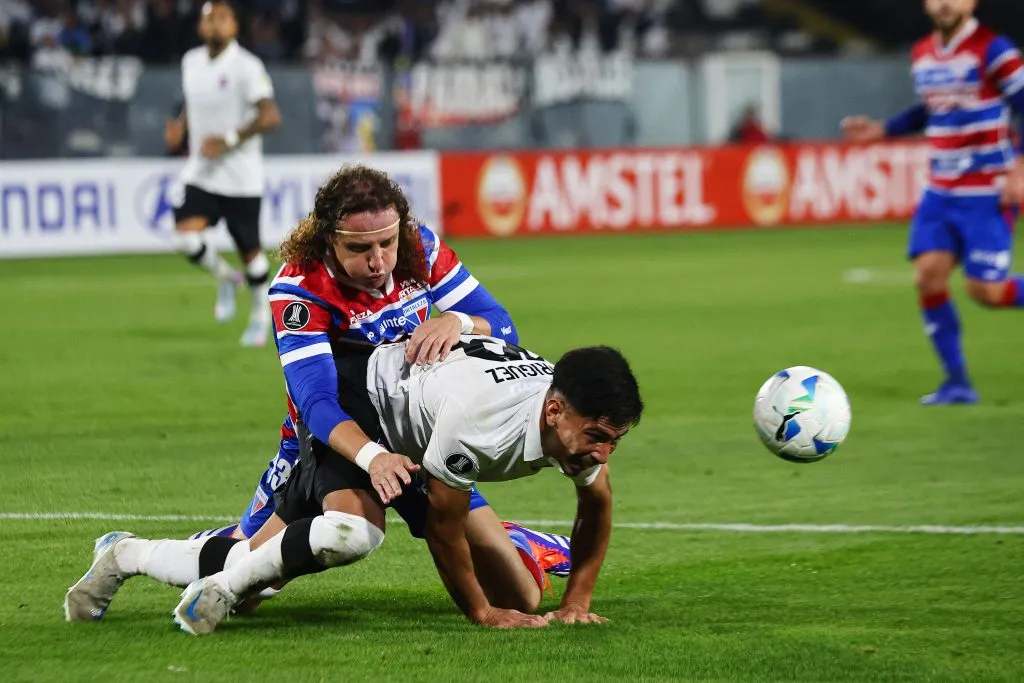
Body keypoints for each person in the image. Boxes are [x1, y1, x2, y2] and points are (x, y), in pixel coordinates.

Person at [65, 337, 643, 632]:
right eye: (596, 436)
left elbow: (598, 500)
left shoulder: (579, 427)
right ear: (554, 411)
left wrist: (578, 603)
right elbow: (442, 531)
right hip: (362, 405)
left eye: (613, 440)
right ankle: (134, 556)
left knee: (524, 598)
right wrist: (480, 617)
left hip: (426, 438)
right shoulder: (483, 423)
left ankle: (139, 556)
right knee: (348, 534)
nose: (602, 453)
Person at [186, 165, 566, 572]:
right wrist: (374, 457)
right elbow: (315, 404)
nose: (378, 261)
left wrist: (458, 321)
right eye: (360, 249)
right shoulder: (300, 290)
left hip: (415, 431)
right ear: (329, 239)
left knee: (493, 568)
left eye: (388, 242)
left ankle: (518, 541)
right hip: (333, 439)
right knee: (242, 565)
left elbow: (502, 324)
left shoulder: (420, 248)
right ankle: (149, 554)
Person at [841, 0, 1024, 404]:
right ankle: (957, 383)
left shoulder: (996, 50)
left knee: (986, 292)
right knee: (928, 276)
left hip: (987, 190)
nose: (945, 3)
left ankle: (958, 382)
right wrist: (882, 130)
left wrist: (1020, 169)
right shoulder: (922, 53)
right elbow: (931, 108)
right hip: (941, 189)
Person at [164, 0, 282, 347]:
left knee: (252, 253)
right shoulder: (190, 62)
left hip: (240, 176)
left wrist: (229, 140)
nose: (215, 23)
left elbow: (270, 116)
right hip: (201, 171)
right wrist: (180, 128)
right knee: (184, 238)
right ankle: (226, 279)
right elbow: (191, 100)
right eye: (209, 18)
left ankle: (260, 313)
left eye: (223, 18)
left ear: (235, 27)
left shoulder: (247, 66)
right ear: (201, 27)